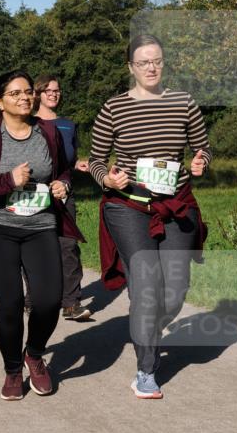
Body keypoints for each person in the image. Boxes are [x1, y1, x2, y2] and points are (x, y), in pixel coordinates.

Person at [88, 34, 210, 399]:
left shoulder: (184, 103)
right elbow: (96, 161)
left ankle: (149, 329)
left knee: (174, 290)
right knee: (145, 286)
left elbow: (202, 148)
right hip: (128, 206)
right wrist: (107, 178)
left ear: (164, 63)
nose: (151, 67)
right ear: (131, 67)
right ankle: (146, 370)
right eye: (143, 62)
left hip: (176, 204)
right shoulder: (114, 108)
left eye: (156, 60)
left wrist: (201, 161)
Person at [0, 70, 85, 400]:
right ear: (0, 102)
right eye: (15, 93)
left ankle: (34, 354)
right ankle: (13, 370)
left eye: (28, 91)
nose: (24, 97)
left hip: (41, 226)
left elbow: (63, 169)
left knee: (49, 301)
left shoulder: (48, 132)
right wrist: (7, 181)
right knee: (10, 305)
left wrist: (63, 184)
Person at [32, 74, 91, 321]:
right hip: (33, 193)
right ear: (37, 94)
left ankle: (71, 303)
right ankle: (34, 298)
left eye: (57, 90)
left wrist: (78, 164)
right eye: (48, 90)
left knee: (68, 246)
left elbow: (68, 158)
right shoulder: (28, 123)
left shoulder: (68, 125)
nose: (53, 94)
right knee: (34, 247)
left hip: (63, 191)